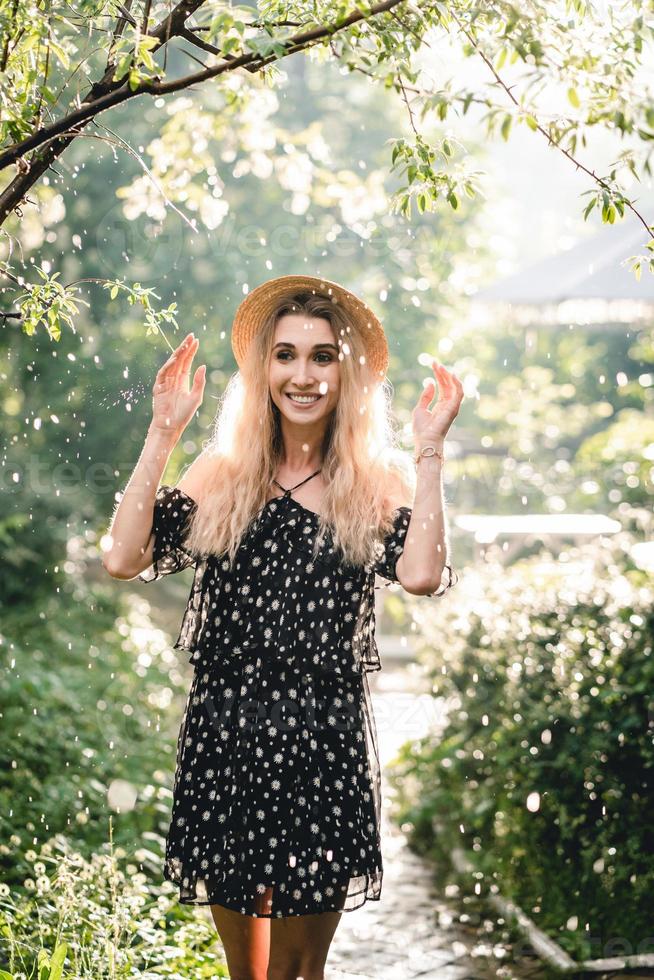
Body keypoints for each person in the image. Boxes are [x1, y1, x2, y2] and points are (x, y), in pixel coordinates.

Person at [102, 274, 463, 980]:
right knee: (249, 977)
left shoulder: (374, 476)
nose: (303, 375)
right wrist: (163, 428)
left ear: (345, 371)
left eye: (322, 356)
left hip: (321, 744)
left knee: (299, 975)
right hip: (227, 736)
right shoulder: (226, 471)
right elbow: (122, 556)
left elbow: (421, 574)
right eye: (287, 355)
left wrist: (429, 451)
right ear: (263, 368)